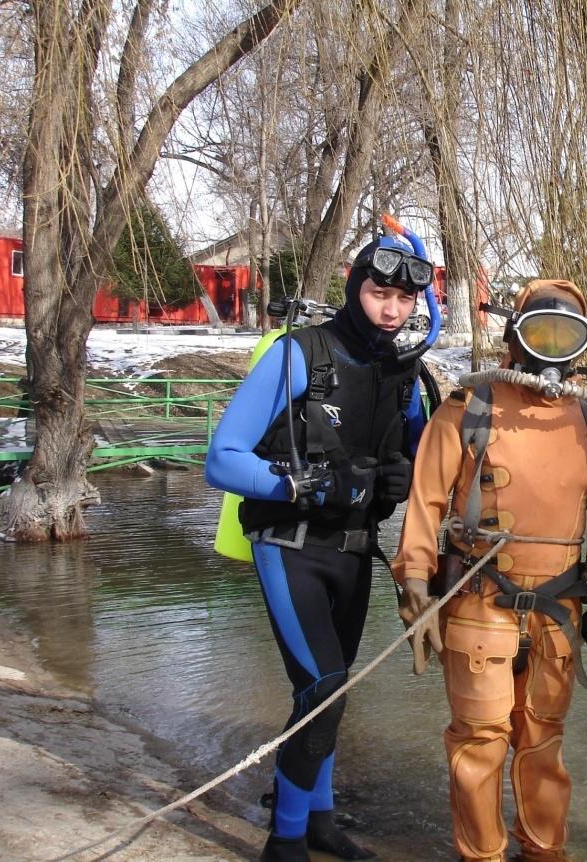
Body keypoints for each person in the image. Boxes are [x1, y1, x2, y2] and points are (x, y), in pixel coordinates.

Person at [393, 279, 587, 862]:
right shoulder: (467, 409)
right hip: (479, 602)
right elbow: (425, 503)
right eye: (540, 333)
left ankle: (544, 852)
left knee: (542, 741)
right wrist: (414, 588)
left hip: (558, 614)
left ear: (583, 346)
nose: (550, 350)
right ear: (514, 335)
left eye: (566, 336)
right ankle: (480, 854)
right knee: (480, 742)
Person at [205, 231, 436, 862]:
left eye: (402, 299)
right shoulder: (298, 353)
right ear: (354, 287)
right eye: (378, 292)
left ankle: (320, 821)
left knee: (330, 694)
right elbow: (220, 460)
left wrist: (405, 473)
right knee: (324, 687)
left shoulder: (404, 372)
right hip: (289, 543)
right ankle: (283, 842)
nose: (391, 310)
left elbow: (423, 458)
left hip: (355, 549)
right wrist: (305, 482)